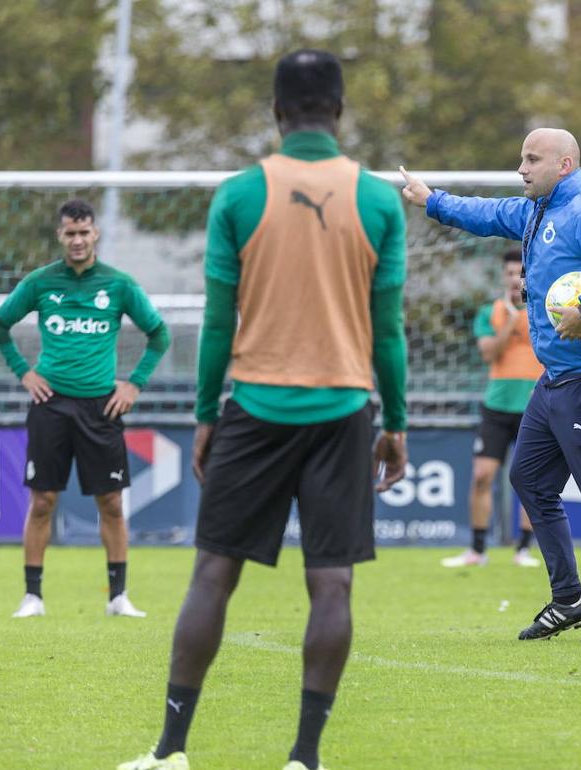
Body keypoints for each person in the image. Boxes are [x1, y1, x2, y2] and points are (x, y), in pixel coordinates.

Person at [119, 49, 408, 770]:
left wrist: (206, 414)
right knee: (331, 581)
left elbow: (219, 323)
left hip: (254, 406)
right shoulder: (376, 199)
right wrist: (395, 421)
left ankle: (169, 752)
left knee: (214, 574)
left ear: (277, 112)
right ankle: (305, 758)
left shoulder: (240, 195)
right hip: (344, 408)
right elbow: (390, 329)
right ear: (339, 111)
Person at [400, 127, 581, 643]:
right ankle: (569, 600)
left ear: (563, 165)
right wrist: (433, 201)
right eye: (522, 158)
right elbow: (486, 215)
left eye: (532, 159)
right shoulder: (535, 213)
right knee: (530, 479)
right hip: (557, 375)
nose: (521, 168)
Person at [0, 198, 168, 620]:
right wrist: (24, 373)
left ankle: (118, 596)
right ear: (60, 235)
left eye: (84, 232)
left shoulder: (119, 285)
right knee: (44, 500)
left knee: (111, 502)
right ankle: (33, 596)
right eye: (70, 233)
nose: (77, 240)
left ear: (95, 234)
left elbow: (158, 335)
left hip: (101, 407)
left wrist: (134, 384)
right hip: (50, 404)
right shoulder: (41, 282)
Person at [441, 246, 542, 569]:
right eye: (511, 273)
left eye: (521, 273)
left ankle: (524, 549)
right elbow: (488, 354)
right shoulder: (492, 312)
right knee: (482, 475)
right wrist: (509, 324)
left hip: (534, 407)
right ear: (504, 276)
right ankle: (477, 550)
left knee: (531, 479)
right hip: (497, 406)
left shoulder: (545, 309)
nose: (516, 279)